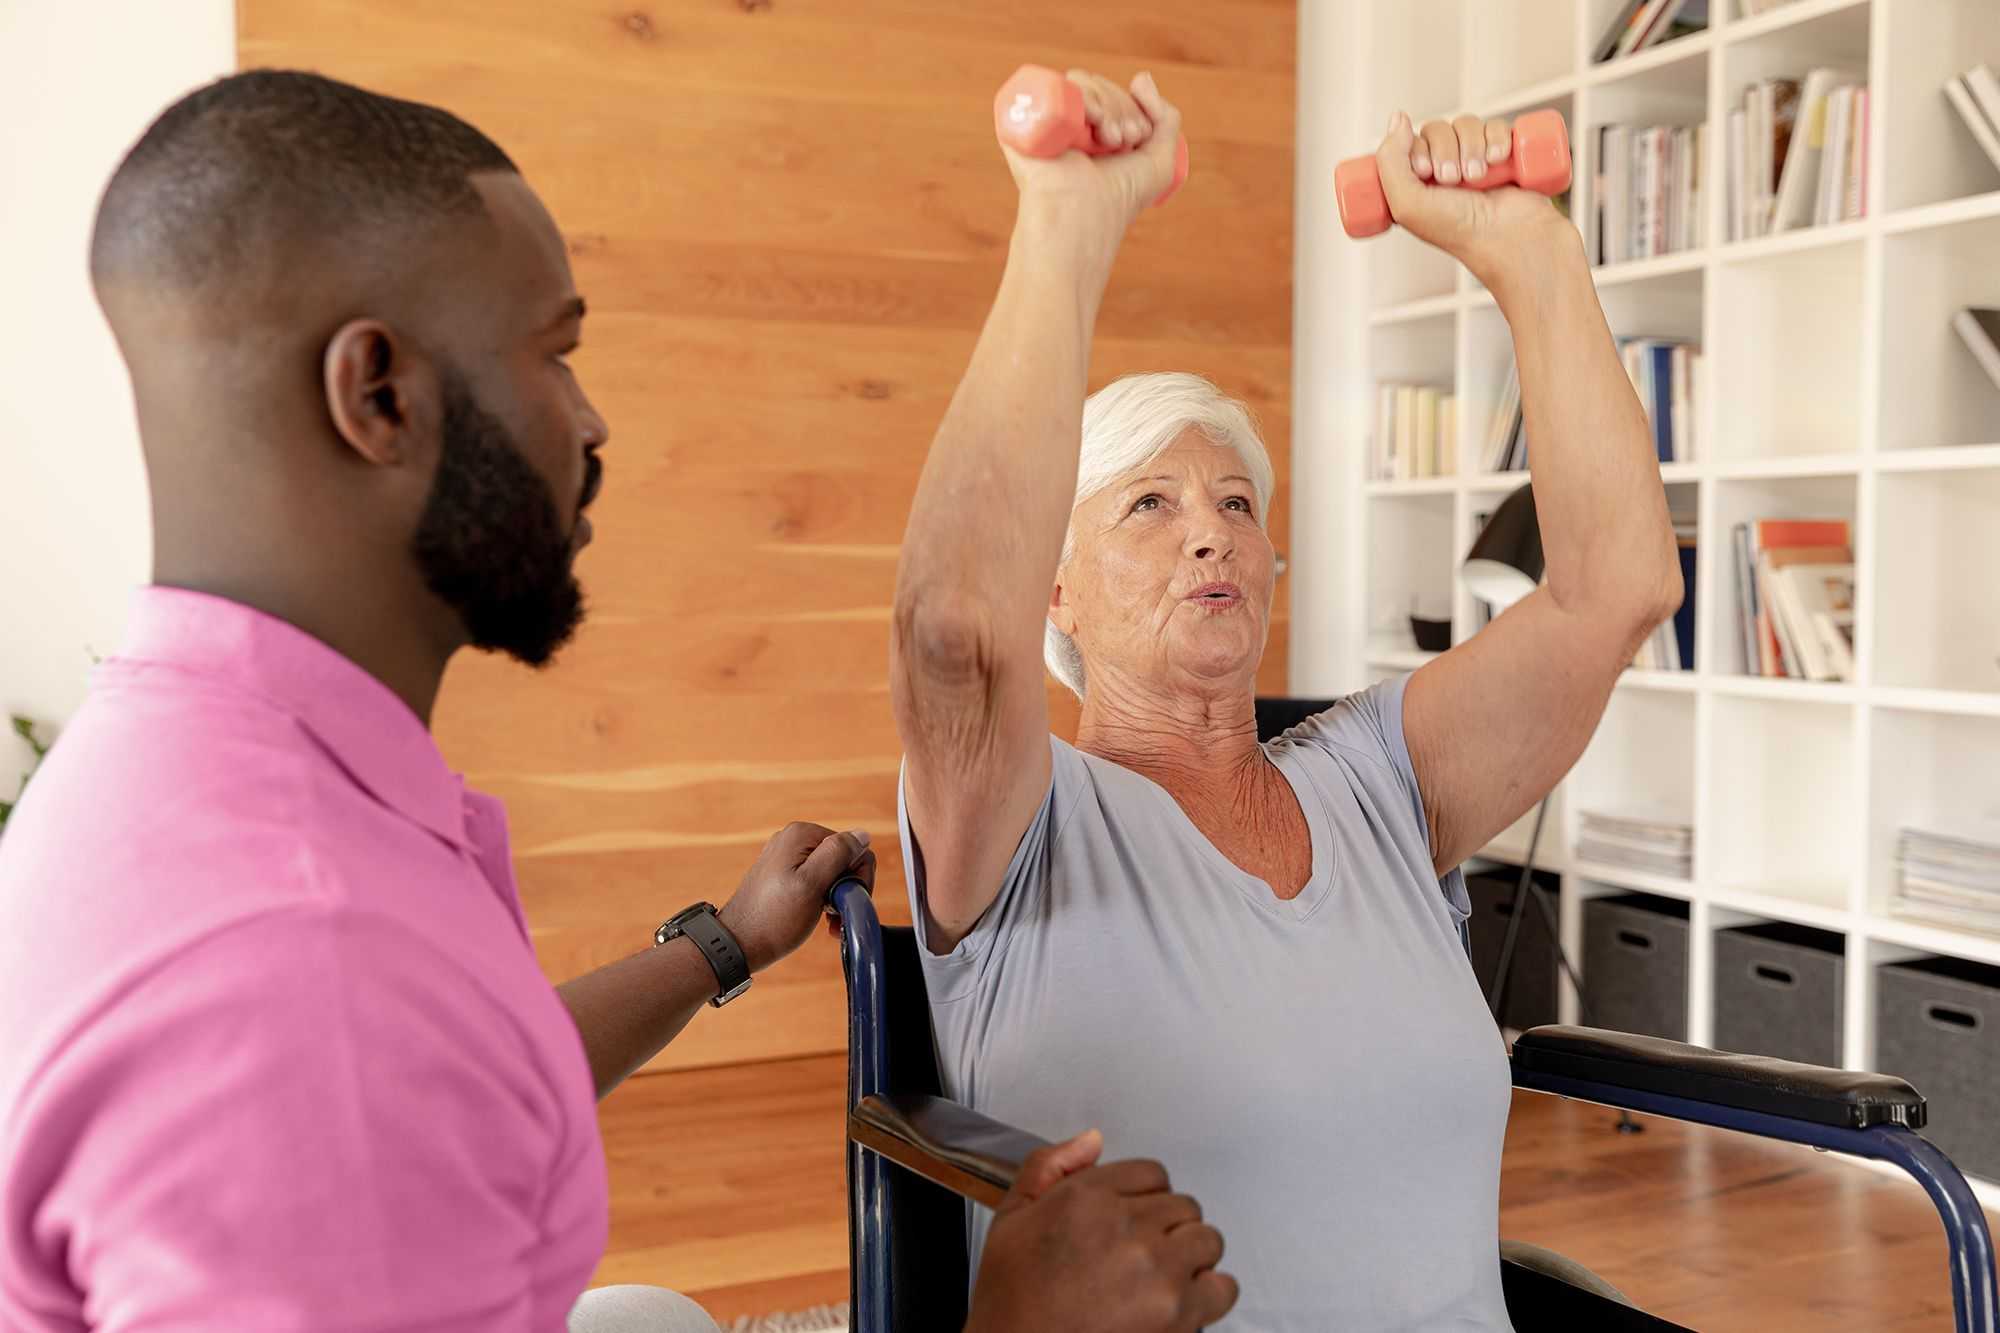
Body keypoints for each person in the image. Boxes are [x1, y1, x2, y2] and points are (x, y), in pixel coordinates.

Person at [0, 70, 1234, 1333]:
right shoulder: (303, 973)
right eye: (557, 353)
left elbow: (464, 1072)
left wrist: (719, 945)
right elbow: (367, 1065)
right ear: (379, 397)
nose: (590, 424)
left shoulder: (192, 767)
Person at [890, 69, 1683, 1330]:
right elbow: (948, 630)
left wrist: (1525, 251)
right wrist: (1066, 224)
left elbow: (1617, 588)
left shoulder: (1378, 777)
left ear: (1270, 567)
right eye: (1147, 505)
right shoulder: (1023, 816)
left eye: (1235, 506)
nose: (1207, 534)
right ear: (1055, 593)